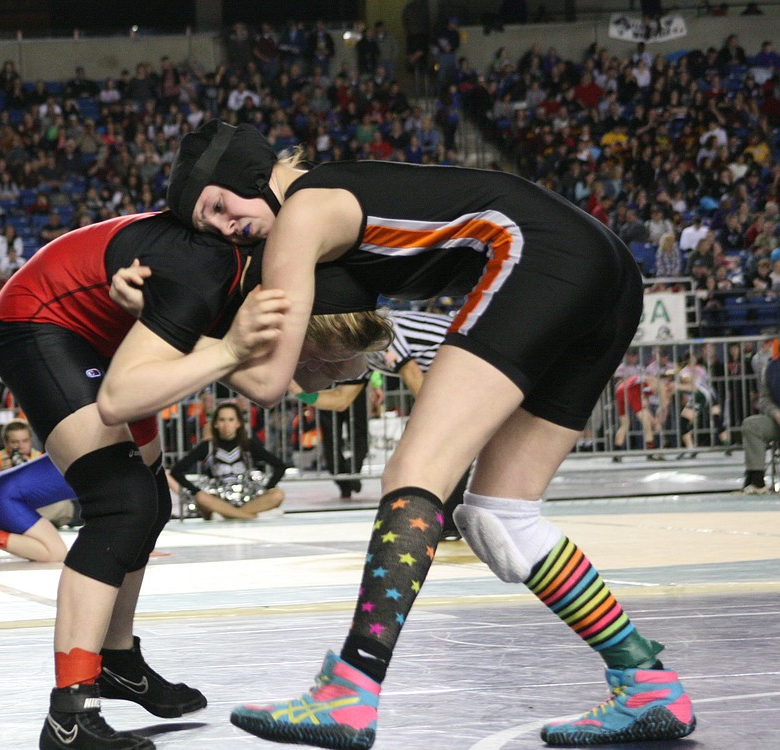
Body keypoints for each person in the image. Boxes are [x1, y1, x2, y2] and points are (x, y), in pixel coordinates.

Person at [162, 120, 695, 748]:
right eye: (210, 224)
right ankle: (646, 682)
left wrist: (169, 329)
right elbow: (324, 365)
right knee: (500, 518)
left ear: (248, 175)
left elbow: (272, 381)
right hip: (606, 269)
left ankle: (350, 690)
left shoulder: (301, 214)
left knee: (417, 472)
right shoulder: (330, 194)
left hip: (539, 252)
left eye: (218, 206)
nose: (226, 227)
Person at [0, 207, 306, 750]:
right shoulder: (213, 266)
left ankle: (116, 659)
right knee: (122, 504)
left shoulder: (243, 267)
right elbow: (260, 381)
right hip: (42, 319)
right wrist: (231, 349)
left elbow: (250, 370)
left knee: (152, 501)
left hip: (105, 340)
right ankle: (70, 713)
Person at [295, 309, 466, 539]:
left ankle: (444, 519)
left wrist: (431, 420)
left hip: (472, 354)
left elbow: (412, 374)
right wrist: (298, 392)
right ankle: (449, 520)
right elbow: (341, 400)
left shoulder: (379, 334)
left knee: (434, 444)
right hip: (458, 367)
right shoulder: (359, 350)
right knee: (445, 445)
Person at [0, 419, 75, 566]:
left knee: (48, 549)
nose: (20, 446)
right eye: (15, 442)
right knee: (56, 552)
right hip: (4, 499)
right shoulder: (92, 458)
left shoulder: (82, 449)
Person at [169, 400, 286, 520]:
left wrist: (266, 488)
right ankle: (250, 515)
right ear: (215, 424)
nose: (226, 425)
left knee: (278, 494)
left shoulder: (247, 445)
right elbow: (176, 471)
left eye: (231, 420)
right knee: (201, 497)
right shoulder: (207, 446)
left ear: (238, 423)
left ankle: (229, 515)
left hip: (247, 498)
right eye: (222, 420)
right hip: (218, 500)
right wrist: (195, 491)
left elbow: (280, 466)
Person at [737, 338, 780, 493]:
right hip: (777, 420)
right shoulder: (771, 367)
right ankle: (757, 482)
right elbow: (764, 399)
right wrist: (776, 413)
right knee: (752, 425)